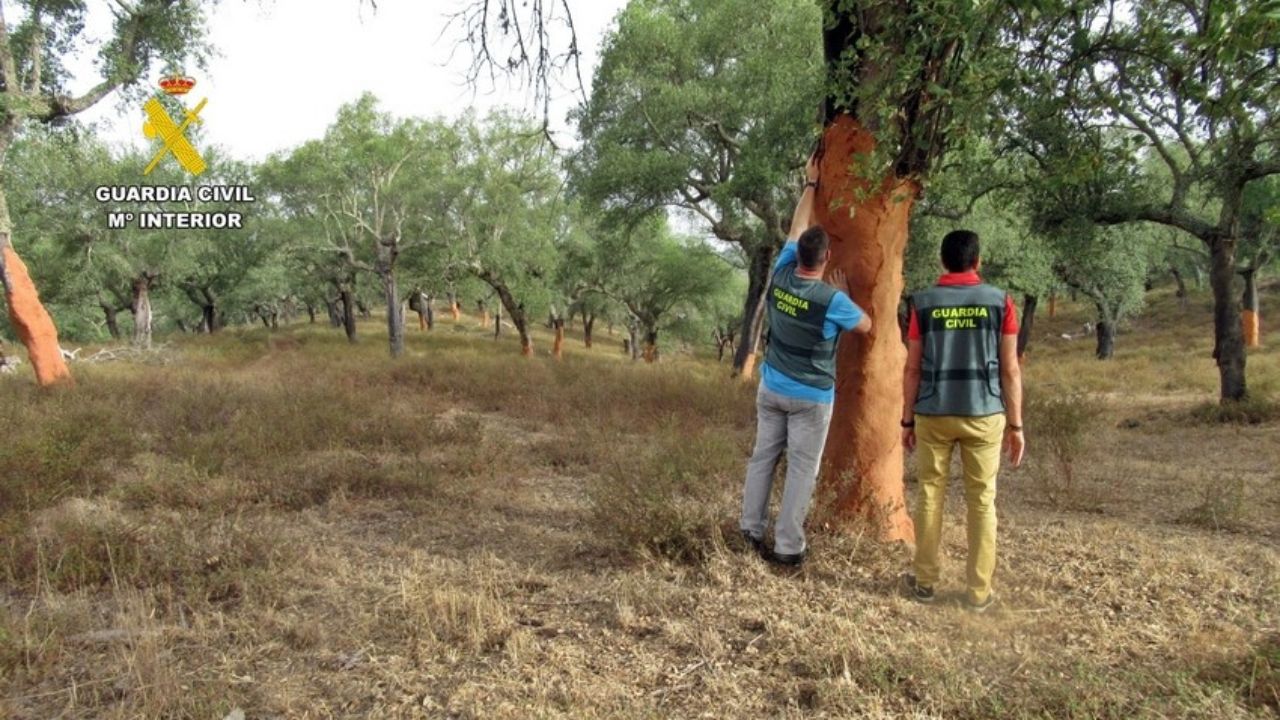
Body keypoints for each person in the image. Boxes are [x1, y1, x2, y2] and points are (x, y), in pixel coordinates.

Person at [739, 155, 872, 567]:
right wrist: (844, 292)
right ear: (827, 259)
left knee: (763, 457)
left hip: (772, 386)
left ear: (798, 256)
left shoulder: (780, 273)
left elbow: (797, 228)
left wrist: (810, 185)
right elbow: (866, 325)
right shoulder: (831, 300)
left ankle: (749, 530)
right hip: (812, 397)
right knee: (800, 470)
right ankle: (788, 547)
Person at [901, 229, 1025, 612]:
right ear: (978, 261)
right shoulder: (1000, 301)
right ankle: (978, 592)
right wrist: (1017, 425)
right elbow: (1010, 369)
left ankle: (924, 582)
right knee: (982, 502)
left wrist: (907, 421)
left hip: (933, 414)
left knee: (930, 495)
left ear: (942, 261)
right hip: (985, 414)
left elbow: (912, 368)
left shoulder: (922, 303)